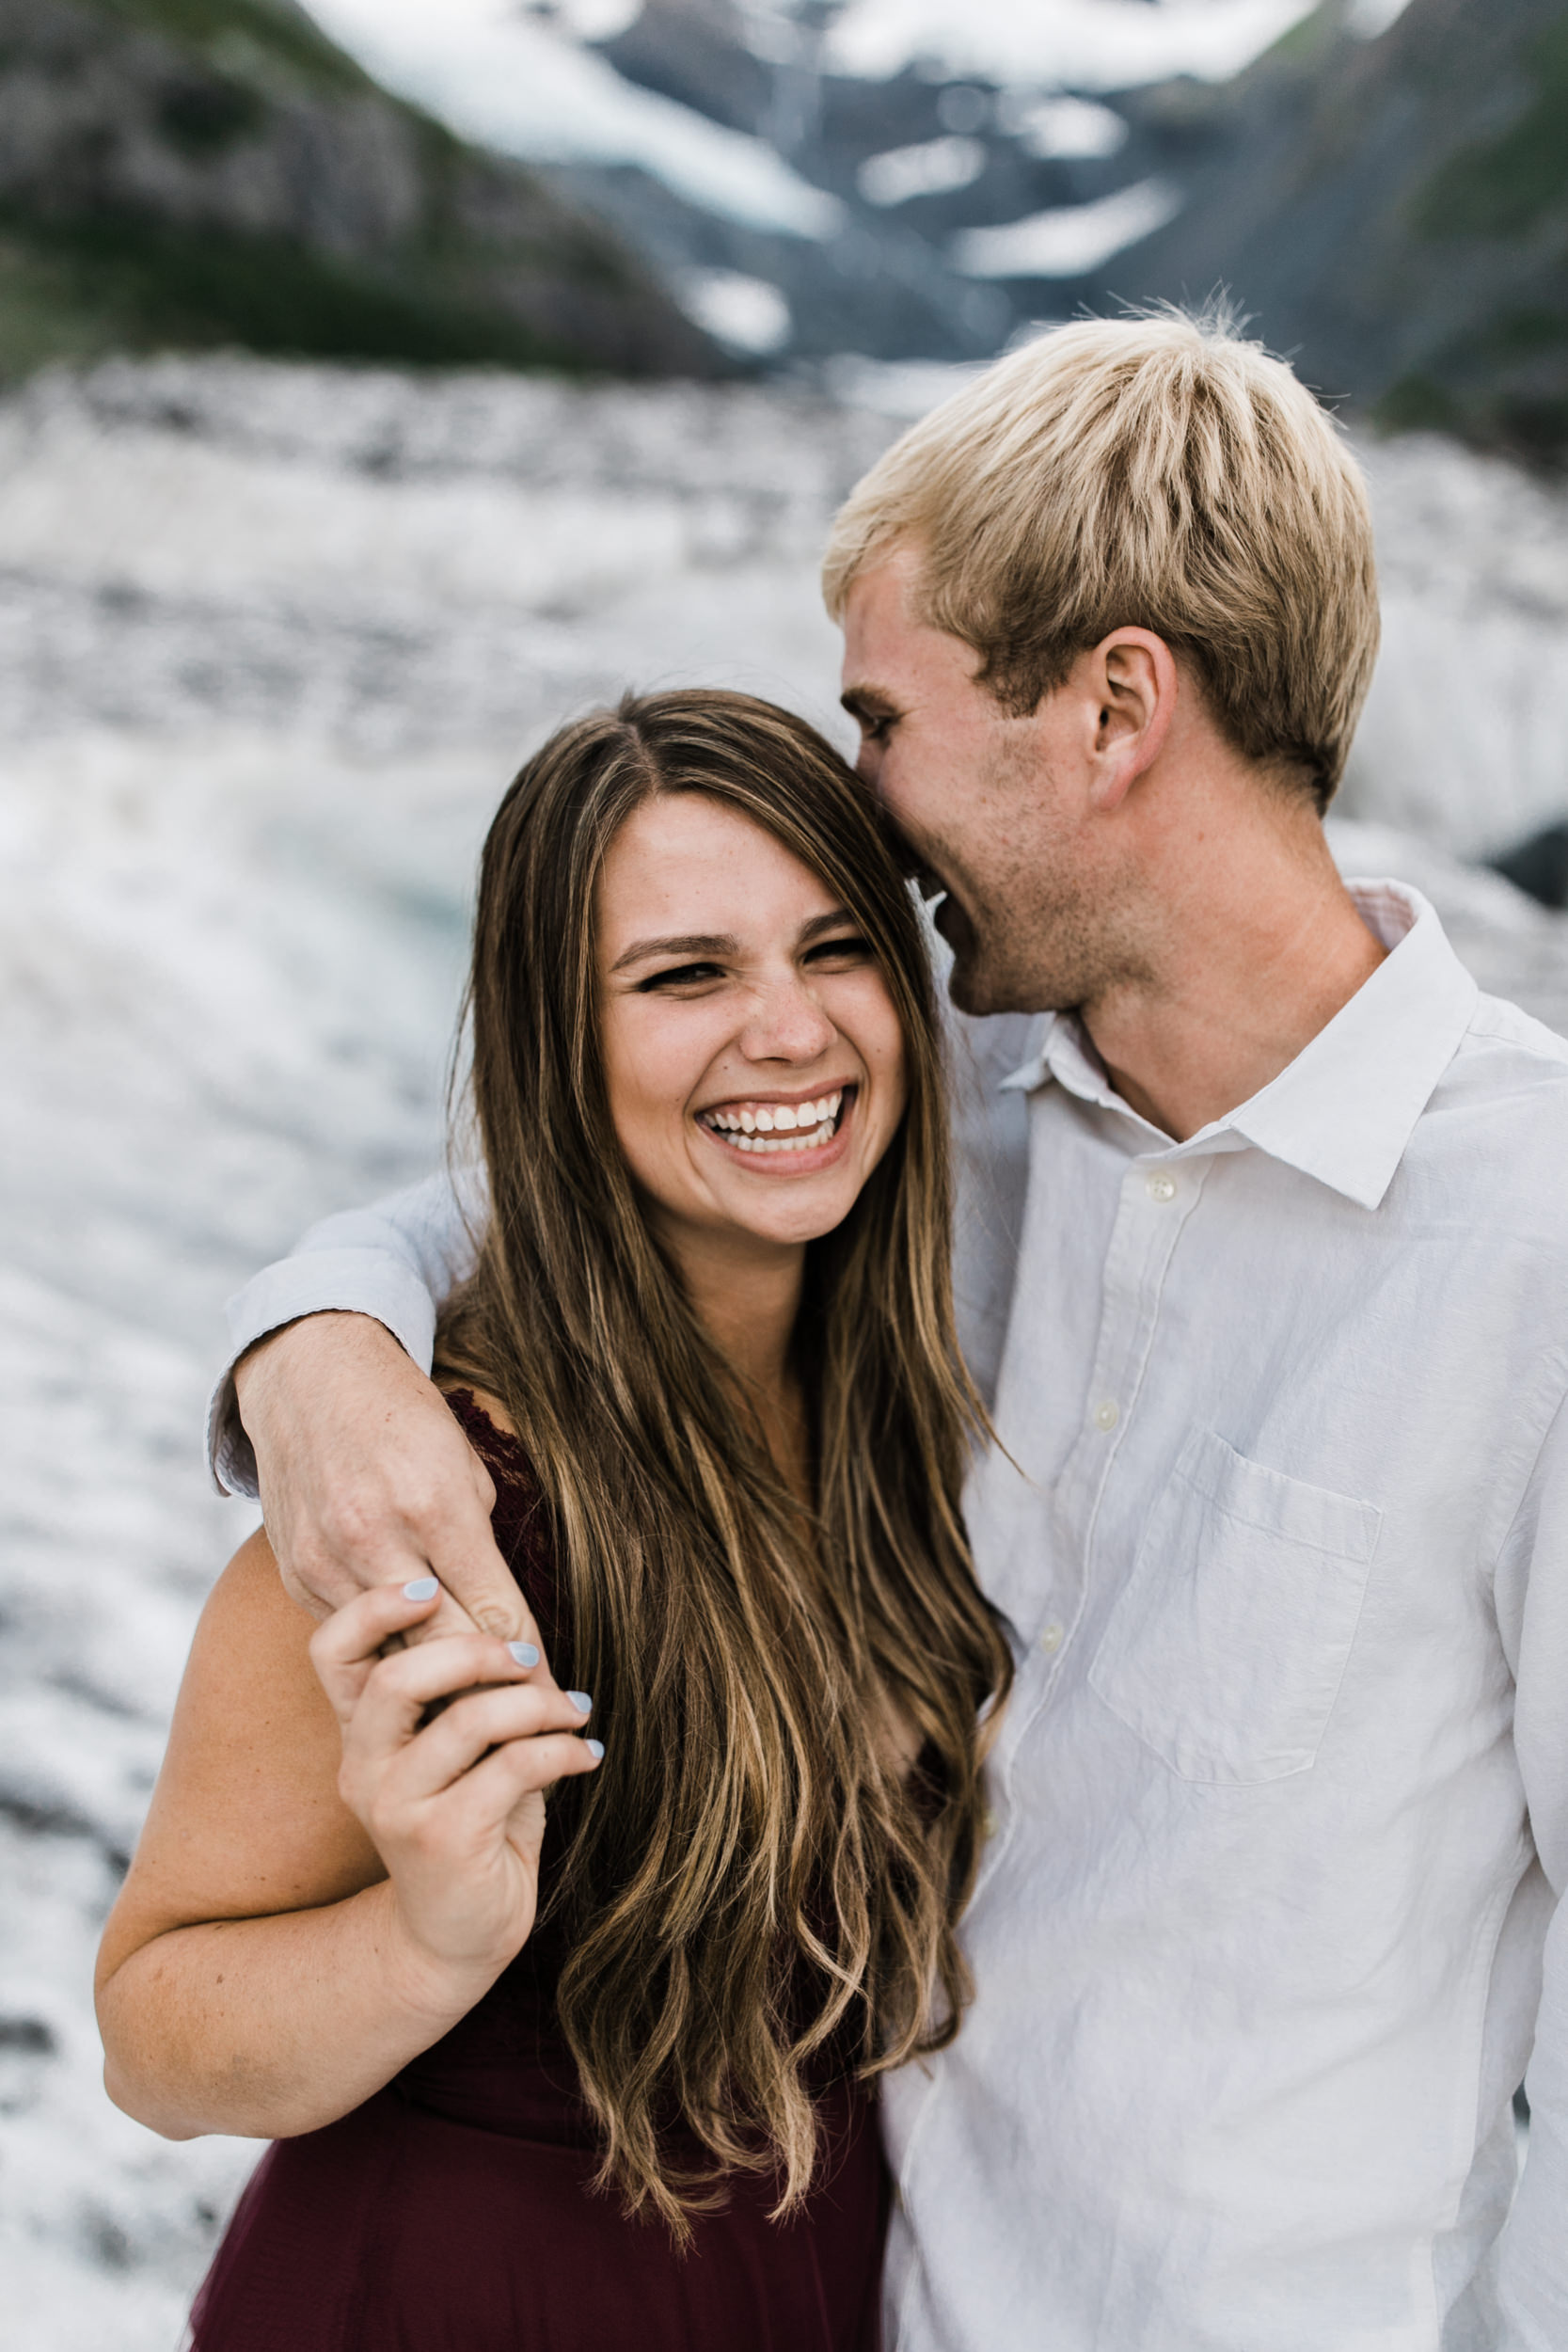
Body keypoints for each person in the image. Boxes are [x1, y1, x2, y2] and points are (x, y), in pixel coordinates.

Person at [203, 312, 1568, 2349]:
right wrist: (312, 1341)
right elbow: (565, 1174)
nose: (859, 798)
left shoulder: (1533, 1242)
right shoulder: (954, 1099)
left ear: (1112, 710)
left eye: (886, 717)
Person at [95, 691, 1012, 2350]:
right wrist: (422, 1944)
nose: (793, 1031)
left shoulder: (914, 1406)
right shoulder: (439, 1501)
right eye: (686, 975)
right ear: (554, 1041)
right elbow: (152, 2038)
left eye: (835, 949)